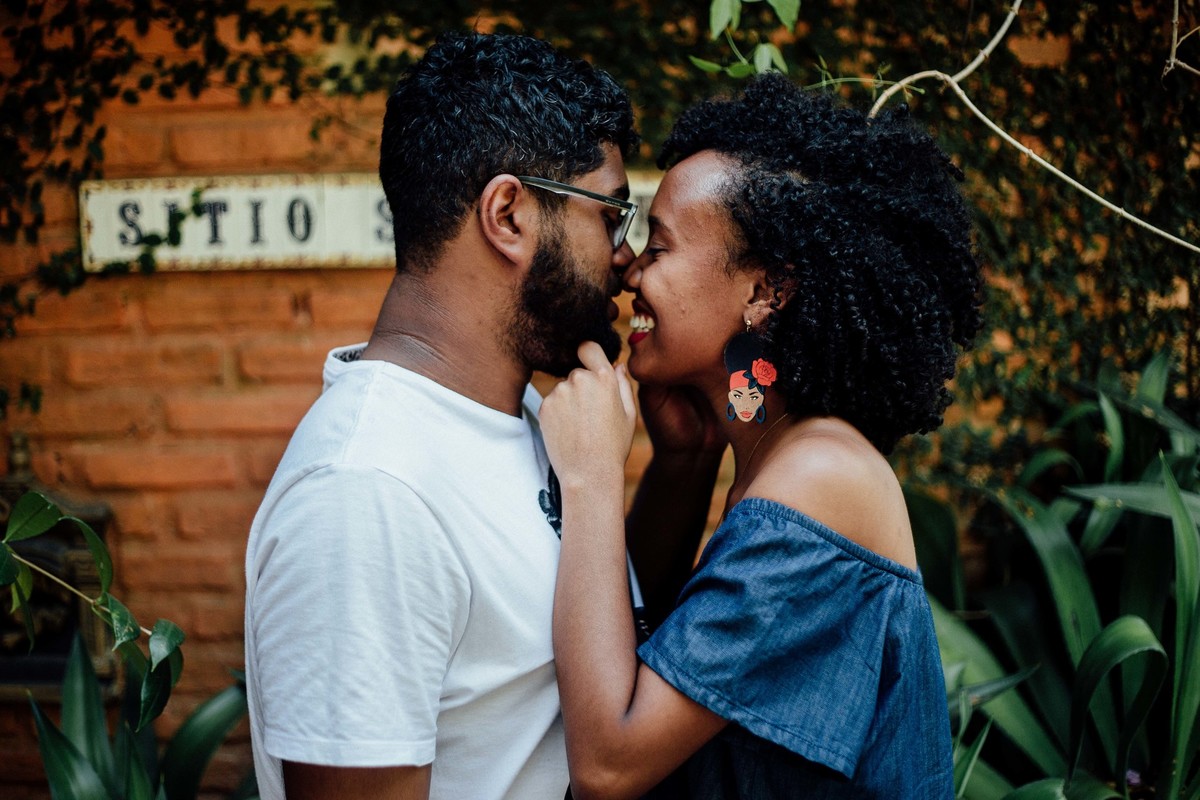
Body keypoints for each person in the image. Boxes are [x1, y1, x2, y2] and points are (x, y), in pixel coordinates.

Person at [540, 72, 983, 798]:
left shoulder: (816, 482)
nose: (630, 273)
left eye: (660, 245)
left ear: (764, 292)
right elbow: (642, 656)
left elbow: (607, 763)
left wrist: (590, 477)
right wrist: (682, 465)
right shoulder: (778, 448)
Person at [243, 31, 639, 800]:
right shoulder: (367, 492)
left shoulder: (508, 412)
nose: (625, 256)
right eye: (611, 215)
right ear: (509, 215)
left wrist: (681, 467)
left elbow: (558, 671)